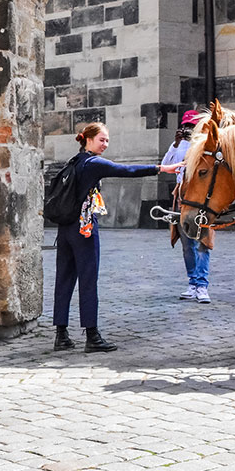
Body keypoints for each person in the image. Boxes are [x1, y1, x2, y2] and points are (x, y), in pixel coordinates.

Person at [53, 122, 180, 353]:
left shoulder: (75, 161)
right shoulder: (93, 163)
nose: (105, 144)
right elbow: (126, 170)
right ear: (88, 139)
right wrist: (161, 169)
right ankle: (92, 336)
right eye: (102, 139)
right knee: (88, 280)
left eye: (107, 140)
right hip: (85, 228)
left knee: (63, 280)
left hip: (65, 229)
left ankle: (60, 335)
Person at [161, 111, 210, 304]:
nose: (188, 130)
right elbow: (165, 165)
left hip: (201, 198)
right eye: (186, 127)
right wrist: (175, 144)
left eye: (192, 127)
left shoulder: (207, 144)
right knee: (187, 244)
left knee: (203, 242)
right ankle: (192, 282)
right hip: (182, 196)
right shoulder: (179, 145)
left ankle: (202, 285)